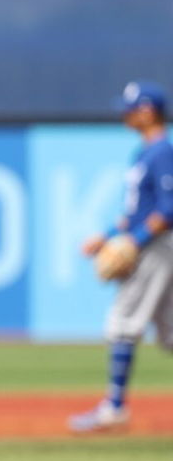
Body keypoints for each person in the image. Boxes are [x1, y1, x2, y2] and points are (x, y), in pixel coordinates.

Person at [69, 81, 173, 433]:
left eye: (130, 108)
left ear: (147, 111)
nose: (124, 114)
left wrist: (136, 241)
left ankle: (114, 408)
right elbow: (135, 212)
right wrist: (108, 236)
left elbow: (168, 209)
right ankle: (113, 407)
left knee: (123, 322)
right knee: (170, 333)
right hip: (150, 244)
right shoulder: (144, 152)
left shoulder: (162, 152)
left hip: (157, 247)